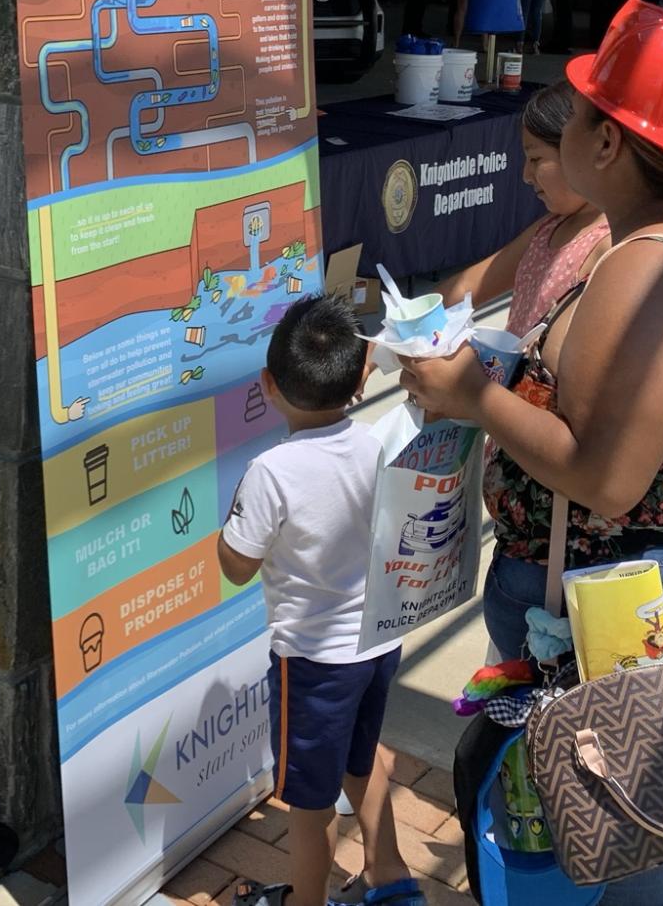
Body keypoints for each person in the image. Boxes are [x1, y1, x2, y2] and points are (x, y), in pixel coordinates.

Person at [399, 1, 663, 906]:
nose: (569, 122)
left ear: (611, 145)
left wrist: (470, 396)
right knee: (641, 823)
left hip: (646, 598)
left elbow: (604, 479)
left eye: (582, 110)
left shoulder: (648, 264)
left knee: (604, 835)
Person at [218, 296, 423, 906]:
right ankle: (390, 873)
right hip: (378, 645)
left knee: (309, 806)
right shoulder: (373, 445)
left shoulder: (271, 472)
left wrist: (225, 528)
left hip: (312, 665)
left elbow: (236, 566)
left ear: (268, 386)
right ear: (362, 380)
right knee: (364, 761)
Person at [440, 82, 609, 335]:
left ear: (580, 149)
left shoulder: (609, 247)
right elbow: (467, 285)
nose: (526, 176)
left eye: (536, 159)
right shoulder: (550, 228)